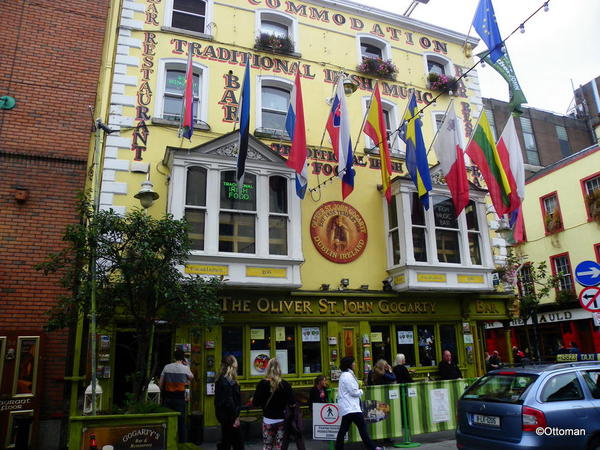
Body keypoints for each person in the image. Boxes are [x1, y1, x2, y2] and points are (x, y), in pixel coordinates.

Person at [335, 356, 383, 450]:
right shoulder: (347, 376)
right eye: (353, 362)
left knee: (343, 430)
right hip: (352, 407)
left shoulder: (345, 375)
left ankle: (339, 448)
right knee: (362, 429)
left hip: (347, 407)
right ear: (349, 364)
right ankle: (372, 448)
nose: (354, 364)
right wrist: (361, 391)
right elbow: (353, 392)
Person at [252, 358, 296, 450]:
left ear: (267, 368)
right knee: (279, 446)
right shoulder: (285, 384)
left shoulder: (262, 384)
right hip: (281, 420)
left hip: (267, 420)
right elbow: (292, 403)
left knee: (267, 446)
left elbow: (255, 403)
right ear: (279, 369)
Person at [159, 349, 193, 443]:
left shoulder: (167, 367)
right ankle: (182, 443)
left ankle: (167, 442)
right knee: (181, 422)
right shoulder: (185, 368)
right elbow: (191, 377)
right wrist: (187, 365)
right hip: (179, 399)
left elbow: (160, 384)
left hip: (168, 398)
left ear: (174, 357)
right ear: (183, 358)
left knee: (167, 421)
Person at [215, 355, 243, 450]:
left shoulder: (220, 379)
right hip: (230, 417)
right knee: (238, 443)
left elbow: (218, 401)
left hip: (223, 416)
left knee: (226, 440)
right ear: (233, 366)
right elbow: (230, 401)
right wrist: (235, 417)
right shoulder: (230, 381)